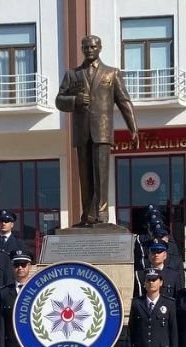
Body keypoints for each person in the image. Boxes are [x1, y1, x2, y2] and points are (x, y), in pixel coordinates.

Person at [56, 34, 138, 225]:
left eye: (92, 47)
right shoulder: (72, 74)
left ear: (100, 48)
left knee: (101, 175)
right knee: (85, 177)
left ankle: (102, 214)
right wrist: (74, 100)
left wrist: (132, 127)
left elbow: (124, 100)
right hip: (82, 131)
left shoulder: (112, 73)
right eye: (85, 47)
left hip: (101, 131)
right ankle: (88, 214)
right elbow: (59, 100)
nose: (89, 50)